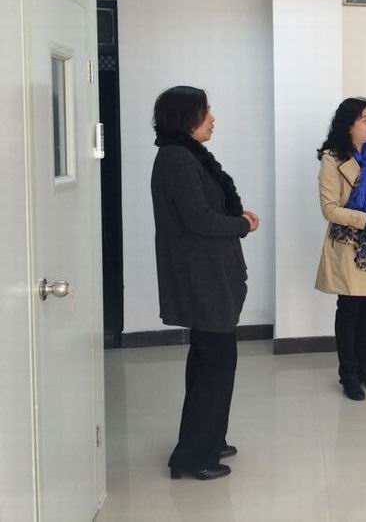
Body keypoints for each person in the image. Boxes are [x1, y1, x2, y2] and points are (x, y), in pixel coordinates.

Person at [151, 86, 260, 480]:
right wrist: (240, 224)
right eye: (205, 110)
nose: (212, 117)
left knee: (208, 362)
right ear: (186, 118)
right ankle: (195, 456)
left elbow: (204, 209)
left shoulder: (184, 154)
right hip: (203, 278)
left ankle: (208, 440)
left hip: (207, 274)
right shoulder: (178, 159)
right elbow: (198, 219)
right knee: (215, 365)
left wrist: (236, 217)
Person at [315, 98, 366, 401]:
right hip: (350, 244)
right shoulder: (332, 159)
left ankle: (365, 369)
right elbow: (329, 209)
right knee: (349, 310)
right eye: (364, 119)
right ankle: (348, 374)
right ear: (348, 125)